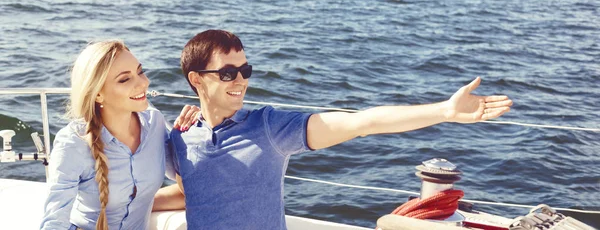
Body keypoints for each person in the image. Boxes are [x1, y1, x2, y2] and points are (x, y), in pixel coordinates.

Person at [155, 30, 513, 229]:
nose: (240, 81)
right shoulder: (181, 137)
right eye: (228, 73)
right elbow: (193, 193)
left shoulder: (269, 127)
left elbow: (362, 123)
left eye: (245, 71)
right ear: (196, 80)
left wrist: (445, 111)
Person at [40, 40, 198, 230]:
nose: (144, 83)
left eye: (140, 72)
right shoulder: (73, 142)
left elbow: (189, 191)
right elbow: (54, 219)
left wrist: (187, 138)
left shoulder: (155, 123)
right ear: (98, 94)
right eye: (124, 79)